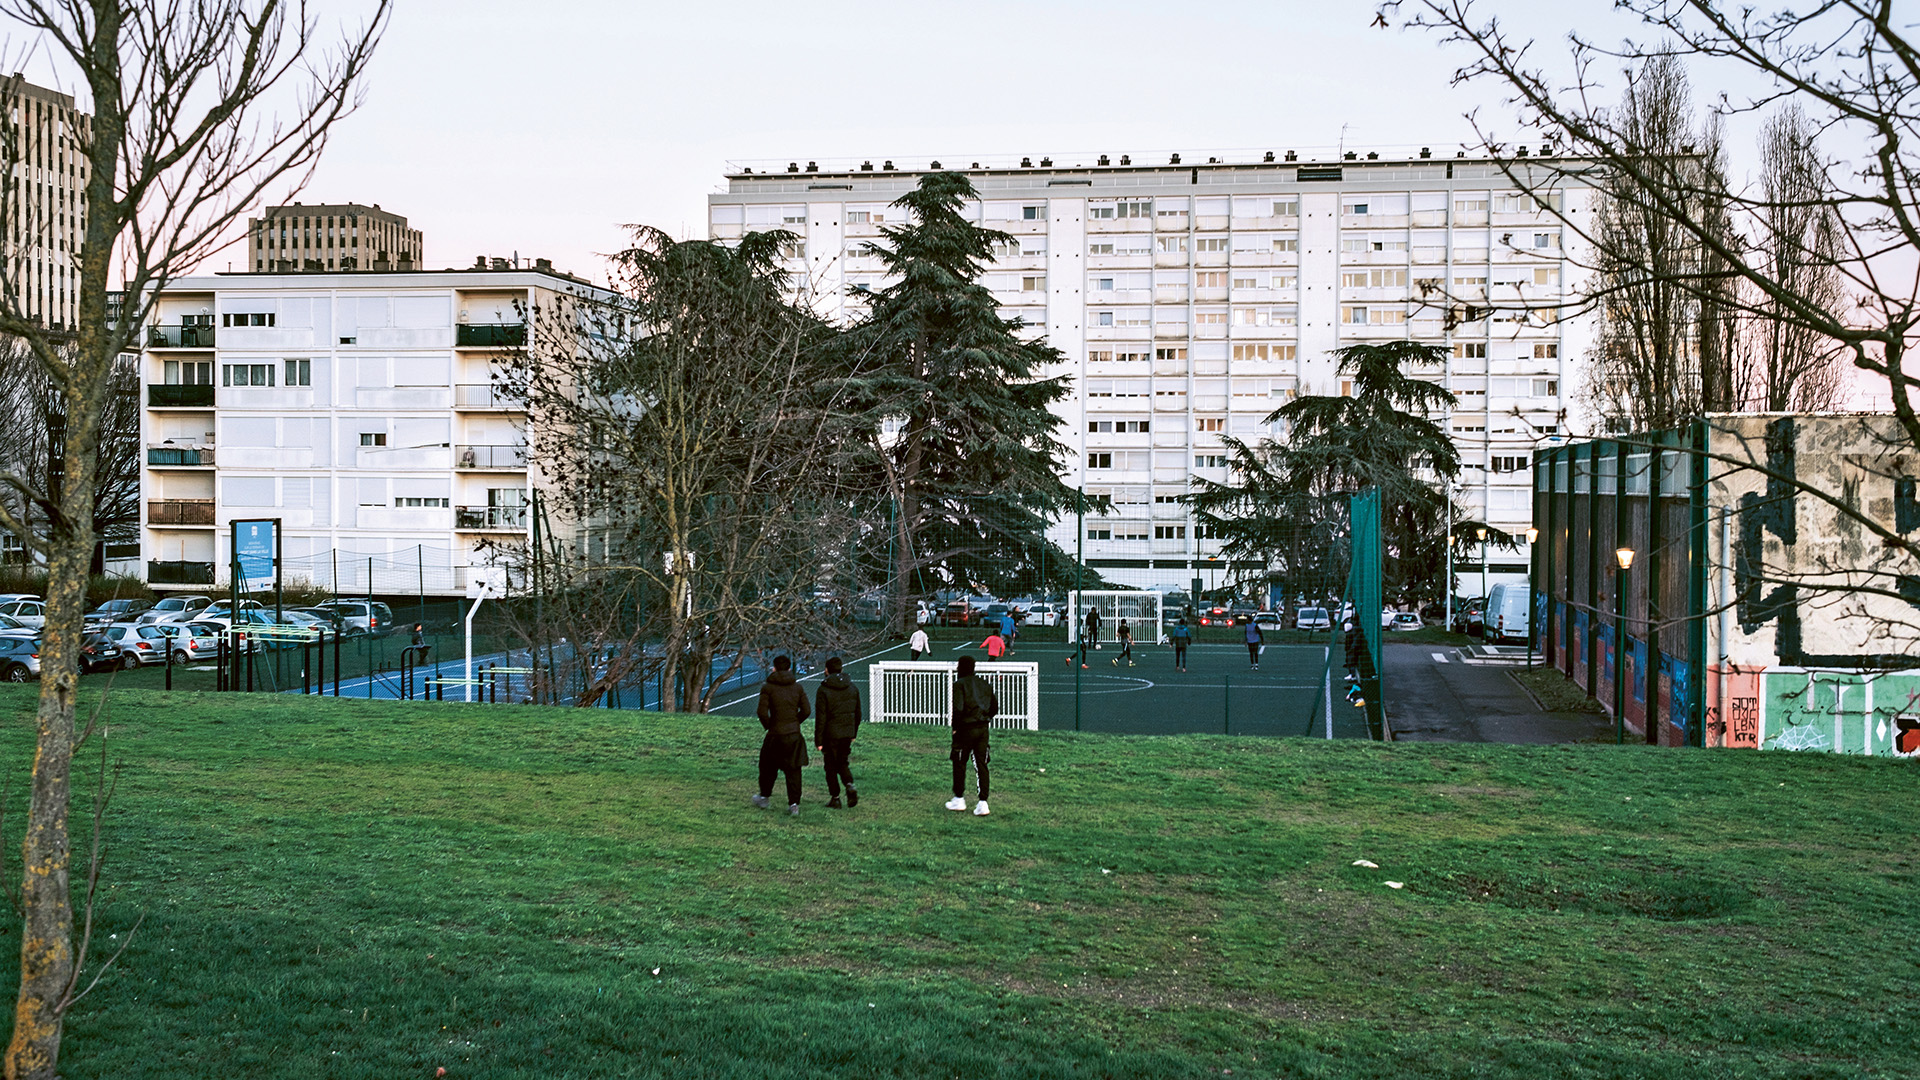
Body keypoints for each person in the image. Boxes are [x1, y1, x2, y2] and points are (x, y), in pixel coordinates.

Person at [752, 654, 810, 816]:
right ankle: (794, 804)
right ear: (790, 668)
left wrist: (771, 726)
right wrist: (794, 723)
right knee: (794, 770)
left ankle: (764, 797)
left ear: (774, 668)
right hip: (793, 734)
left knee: (767, 767)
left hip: (775, 734)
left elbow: (762, 712)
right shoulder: (797, 687)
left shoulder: (768, 687)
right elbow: (806, 710)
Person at [947, 655, 997, 816]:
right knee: (981, 763)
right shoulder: (985, 684)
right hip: (983, 729)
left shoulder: (959, 685)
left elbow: (958, 708)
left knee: (960, 761)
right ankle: (983, 802)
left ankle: (959, 798)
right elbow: (994, 707)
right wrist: (985, 718)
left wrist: (955, 728)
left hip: (965, 728)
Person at [813, 656, 861, 809]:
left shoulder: (823, 690)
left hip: (830, 734)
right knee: (842, 762)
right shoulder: (853, 688)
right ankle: (849, 784)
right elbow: (857, 712)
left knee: (830, 767)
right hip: (847, 732)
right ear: (841, 669)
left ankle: (835, 798)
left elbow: (821, 717)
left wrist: (818, 740)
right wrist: (853, 732)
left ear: (826, 670)